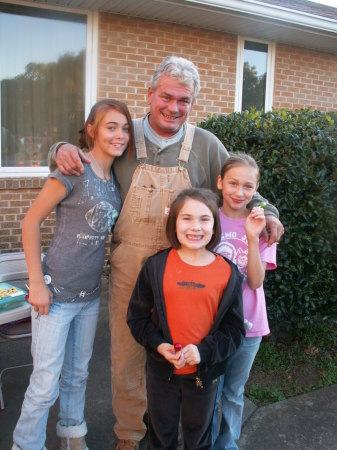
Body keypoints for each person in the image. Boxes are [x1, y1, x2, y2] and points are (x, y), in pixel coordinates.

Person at [48, 56, 284, 450]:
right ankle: (129, 436)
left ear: (193, 103)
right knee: (127, 358)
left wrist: (270, 212)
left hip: (191, 270)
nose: (174, 107)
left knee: (186, 356)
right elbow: (82, 153)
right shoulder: (124, 134)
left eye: (184, 100)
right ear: (150, 94)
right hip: (132, 266)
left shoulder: (206, 144)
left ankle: (184, 436)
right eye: (166, 97)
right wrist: (61, 148)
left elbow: (241, 187)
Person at [12, 99, 134, 450]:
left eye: (125, 128)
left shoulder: (114, 180)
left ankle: (71, 434)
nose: (120, 134)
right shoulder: (72, 169)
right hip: (55, 294)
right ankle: (26, 444)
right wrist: (36, 283)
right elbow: (31, 221)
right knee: (45, 381)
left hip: (90, 296)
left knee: (78, 375)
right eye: (111, 126)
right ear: (92, 130)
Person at [127, 188, 245, 450]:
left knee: (199, 439)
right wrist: (158, 344)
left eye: (204, 219)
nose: (195, 227)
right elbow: (136, 318)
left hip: (203, 377)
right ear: (174, 223)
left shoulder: (228, 273)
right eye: (186, 218)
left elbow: (235, 330)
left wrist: (204, 351)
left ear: (215, 225)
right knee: (161, 436)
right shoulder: (156, 267)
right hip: (161, 374)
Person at [211, 153, 277, 450]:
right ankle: (206, 444)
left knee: (234, 393)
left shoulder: (261, 226)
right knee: (210, 392)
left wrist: (252, 238)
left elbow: (255, 281)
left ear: (257, 189)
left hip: (249, 325)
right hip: (211, 325)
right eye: (233, 183)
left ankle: (227, 445)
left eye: (248, 186)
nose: (239, 192)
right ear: (220, 182)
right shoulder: (208, 218)